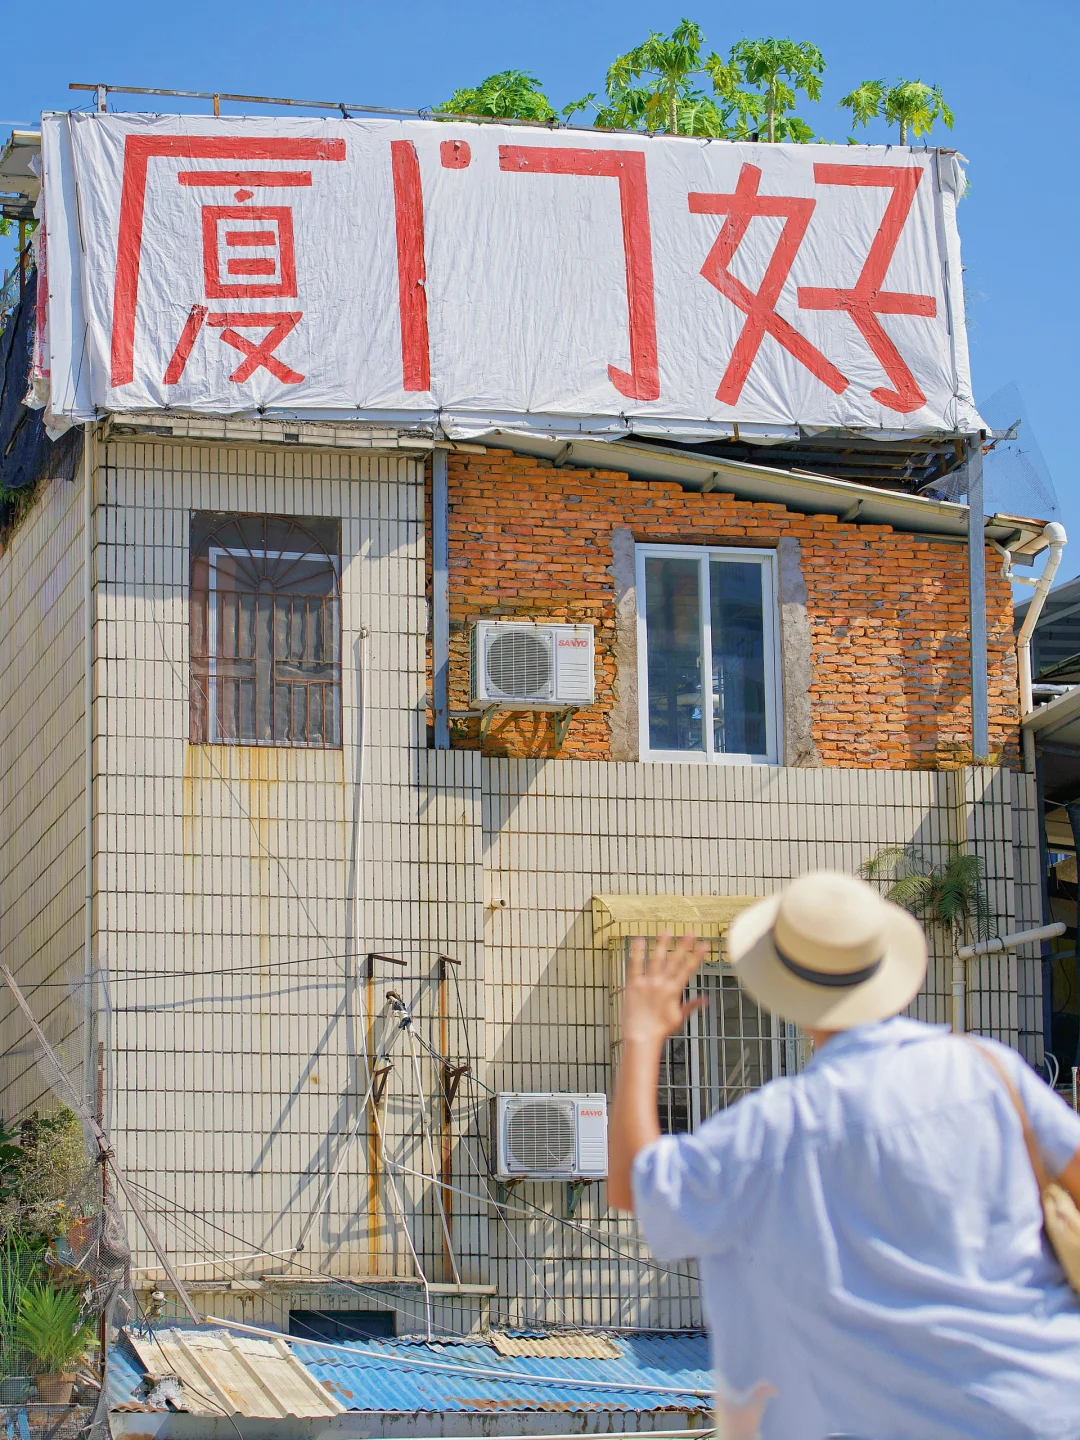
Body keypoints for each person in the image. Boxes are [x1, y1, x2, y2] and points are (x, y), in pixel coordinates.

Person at [609, 871, 1080, 1440]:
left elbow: (634, 1186)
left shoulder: (773, 1129)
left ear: (784, 991)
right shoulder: (991, 1070)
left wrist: (641, 1038)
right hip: (1050, 1403)